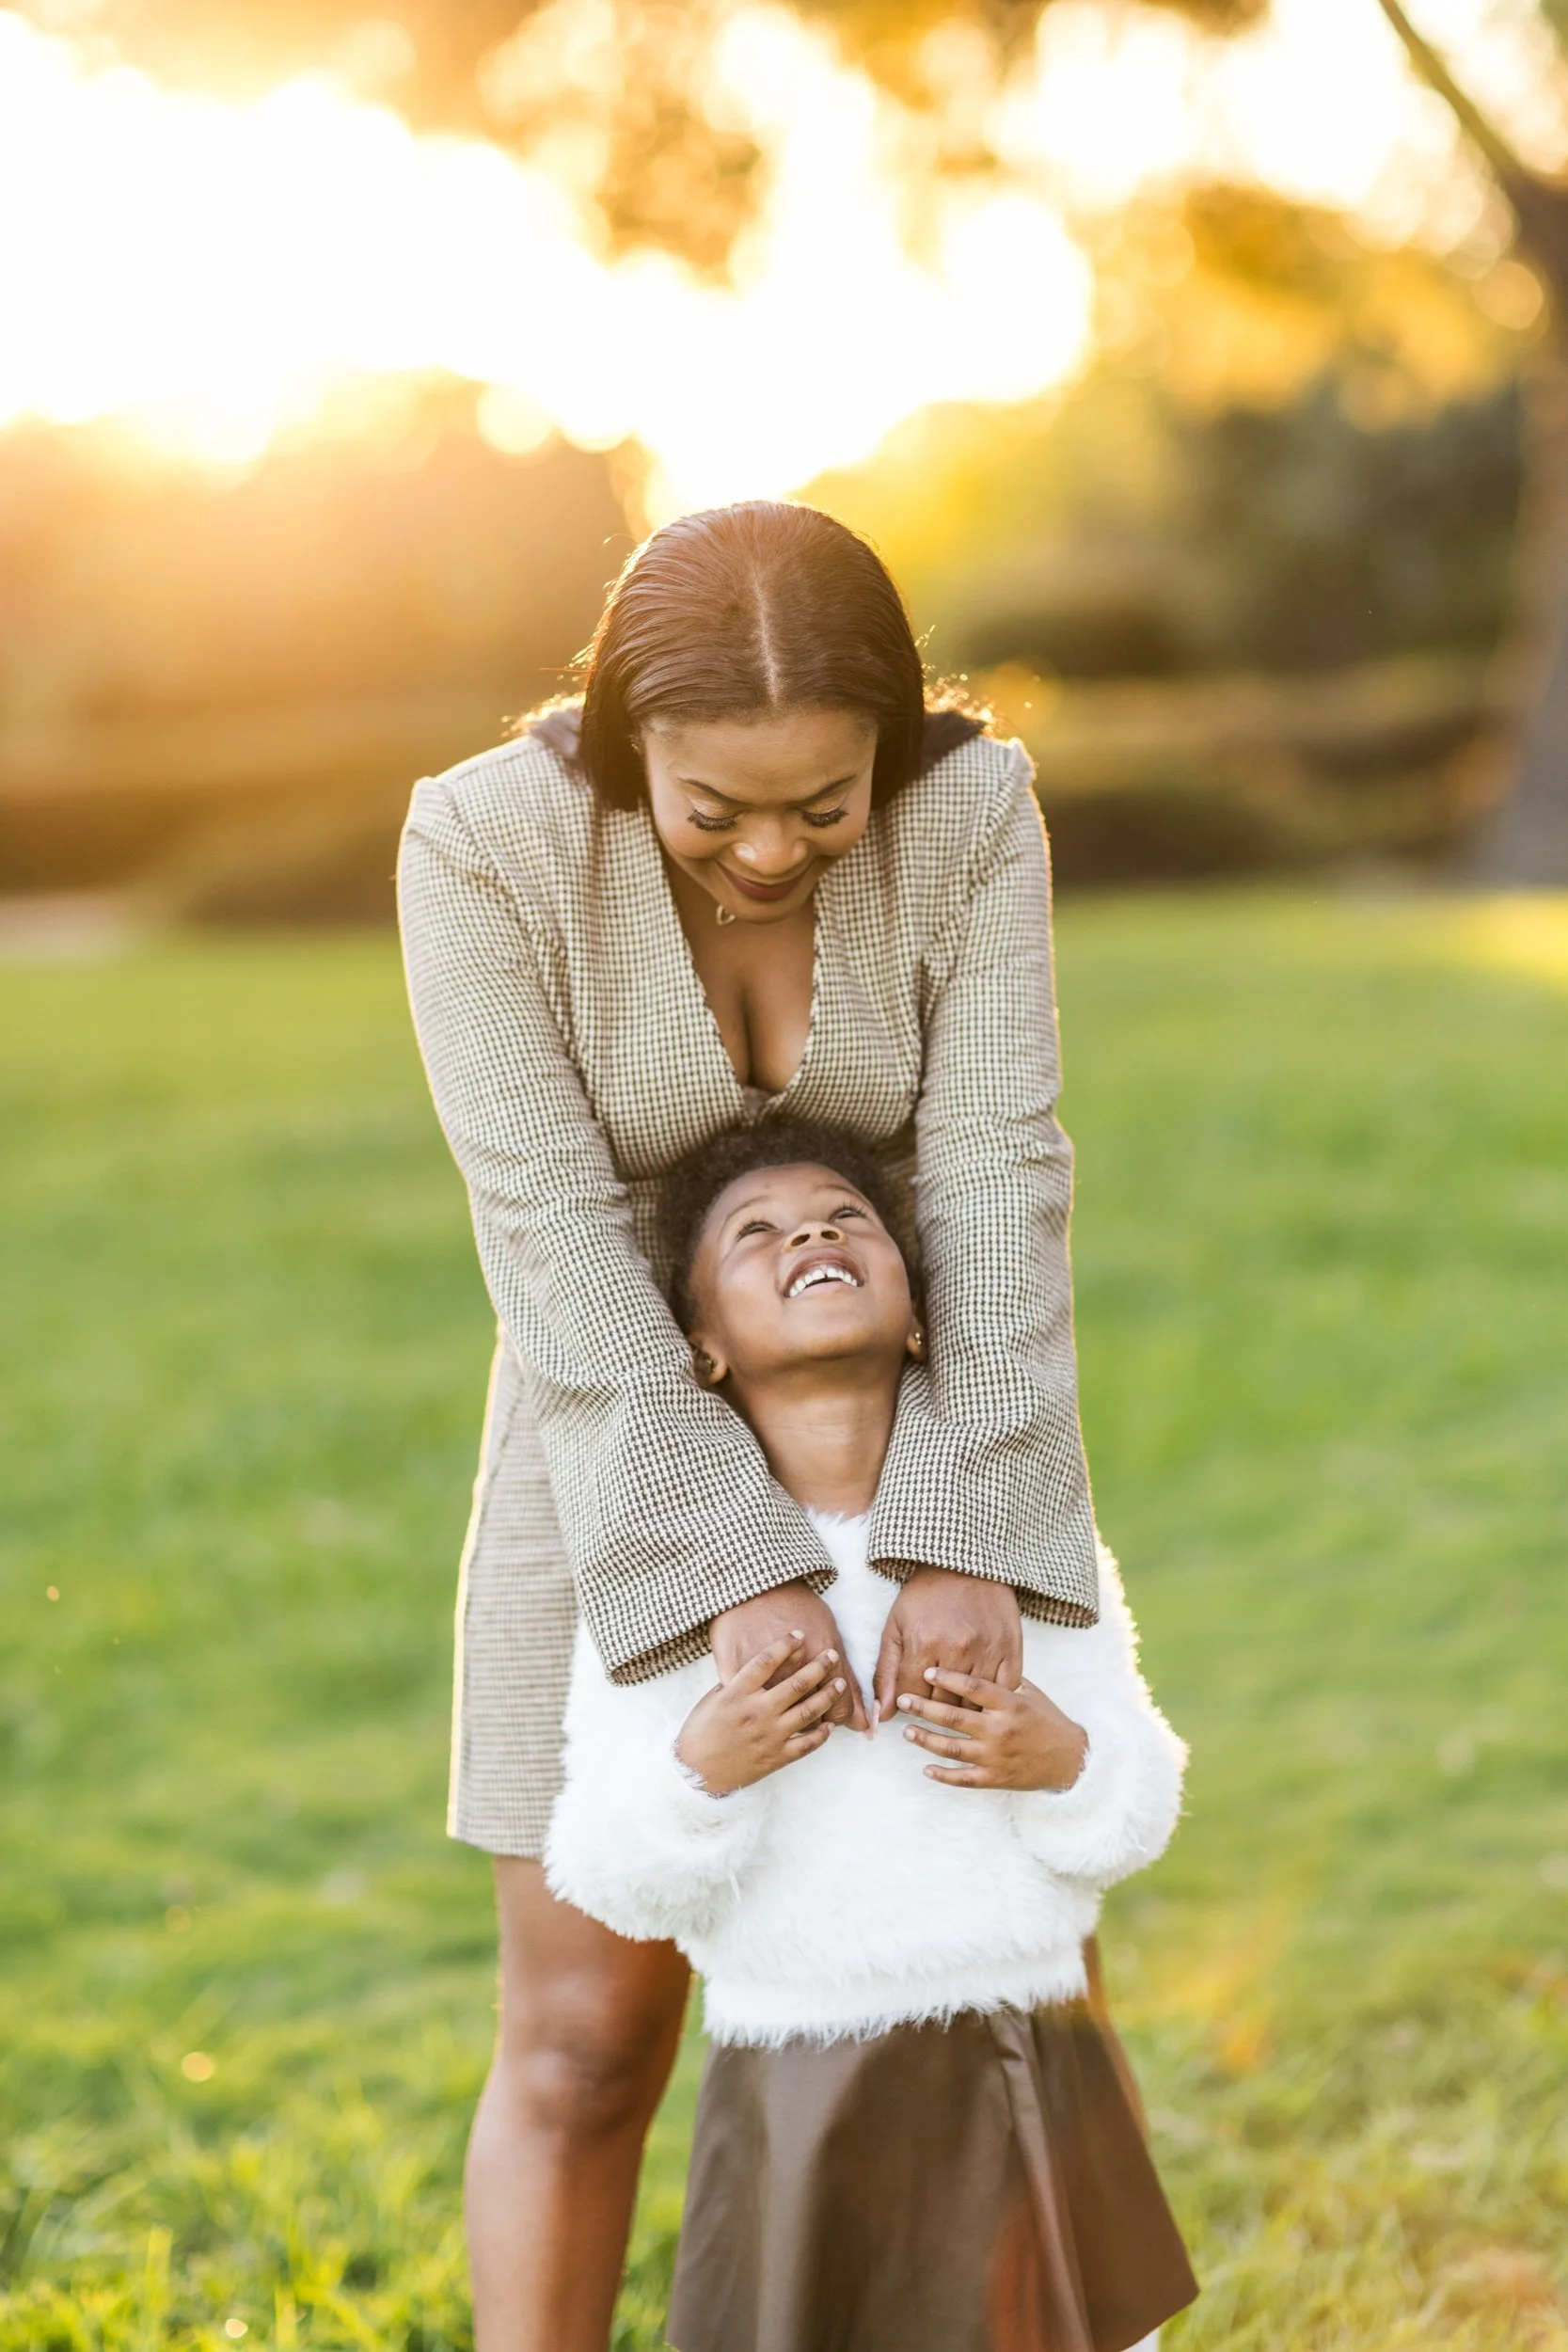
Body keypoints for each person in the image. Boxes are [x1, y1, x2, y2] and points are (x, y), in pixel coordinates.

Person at [398, 501, 1104, 2351]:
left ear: (894, 743)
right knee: (580, 2031)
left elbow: (994, 1169)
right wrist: (729, 1559)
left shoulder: (971, 814)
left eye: (824, 801)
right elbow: (546, 1225)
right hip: (603, 1446)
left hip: (936, 1437)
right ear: (628, 741)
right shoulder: (480, 844)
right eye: (714, 810)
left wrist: (963, 1539)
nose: (773, 851)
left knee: (1000, 1988)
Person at [546, 1122, 1197, 2352]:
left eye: (846, 1217)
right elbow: (606, 1871)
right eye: (757, 1233)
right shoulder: (669, 1590)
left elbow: (1138, 1798)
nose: (811, 1233)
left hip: (1021, 2044)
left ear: (916, 1318)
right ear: (702, 1352)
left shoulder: (1016, 1548)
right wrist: (703, 1772)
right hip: (799, 2069)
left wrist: (1058, 1759)